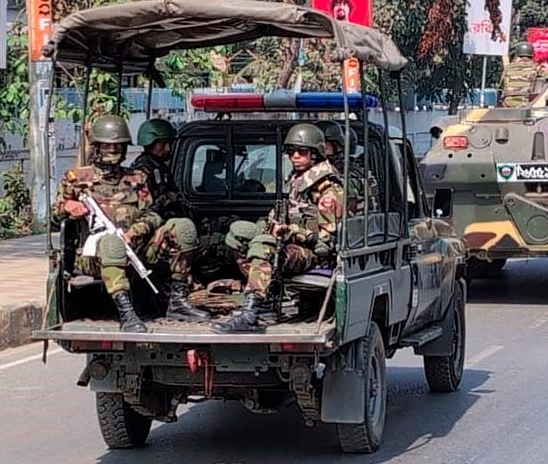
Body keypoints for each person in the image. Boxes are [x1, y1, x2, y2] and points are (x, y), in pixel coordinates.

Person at [54, 115, 209, 332]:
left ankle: (178, 301)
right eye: (108, 145)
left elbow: (153, 214)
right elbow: (54, 218)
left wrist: (135, 232)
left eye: (118, 146)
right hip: (94, 255)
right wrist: (68, 207)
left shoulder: (137, 178)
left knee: (182, 227)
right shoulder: (76, 179)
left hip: (136, 246)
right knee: (111, 243)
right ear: (97, 146)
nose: (113, 150)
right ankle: (126, 312)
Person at [211, 124, 344, 333]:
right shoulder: (296, 181)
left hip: (311, 253)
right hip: (287, 244)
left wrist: (290, 231)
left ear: (316, 154)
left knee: (263, 246)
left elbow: (325, 242)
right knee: (238, 234)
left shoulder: (327, 189)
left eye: (302, 152)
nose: (295, 156)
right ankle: (265, 297)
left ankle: (251, 313)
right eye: (291, 152)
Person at [132, 118, 188, 220]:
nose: (168, 148)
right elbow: (144, 209)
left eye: (170, 144)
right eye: (162, 144)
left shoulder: (160, 167)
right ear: (150, 144)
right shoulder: (142, 170)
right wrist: (168, 198)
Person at [499, 42, 548, 108]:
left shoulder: (508, 67)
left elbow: (501, 86)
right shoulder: (536, 67)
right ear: (532, 55)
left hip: (507, 104)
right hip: (525, 104)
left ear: (517, 54)